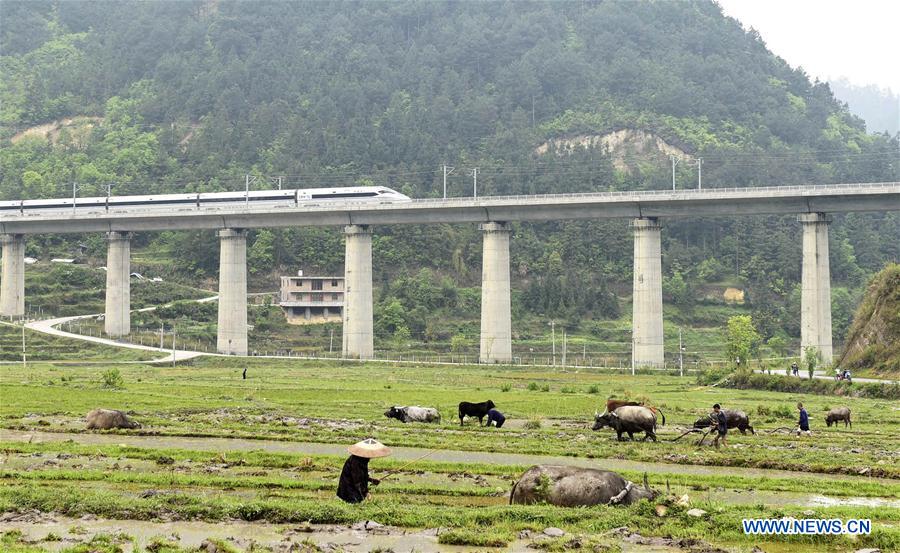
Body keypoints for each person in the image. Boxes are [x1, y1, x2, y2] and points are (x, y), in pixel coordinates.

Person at [337, 438, 391, 503]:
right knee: (354, 505)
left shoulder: (363, 459)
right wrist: (366, 492)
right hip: (350, 488)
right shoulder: (356, 462)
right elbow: (357, 480)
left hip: (353, 488)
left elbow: (363, 475)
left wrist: (372, 480)